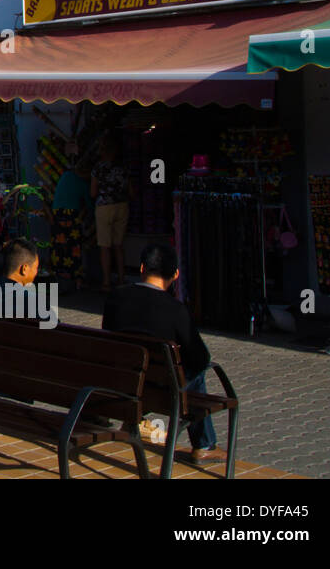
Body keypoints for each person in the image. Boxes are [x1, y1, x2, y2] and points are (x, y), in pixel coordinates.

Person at [103, 243, 222, 464]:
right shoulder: (176, 310)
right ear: (176, 274)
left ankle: (132, 420)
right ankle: (204, 445)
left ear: (141, 268)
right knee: (196, 374)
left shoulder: (116, 298)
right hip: (164, 391)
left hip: (124, 383)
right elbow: (200, 358)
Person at [90, 136, 133, 291]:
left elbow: (93, 192)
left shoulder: (98, 168)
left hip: (104, 207)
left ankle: (107, 281)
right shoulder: (123, 167)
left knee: (105, 246)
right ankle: (121, 278)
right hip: (122, 205)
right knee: (118, 245)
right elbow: (131, 190)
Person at [50, 141, 91, 290]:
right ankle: (77, 279)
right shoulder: (81, 181)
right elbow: (89, 201)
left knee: (59, 246)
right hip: (72, 215)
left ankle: (60, 276)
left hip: (57, 214)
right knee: (74, 247)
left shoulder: (65, 176)